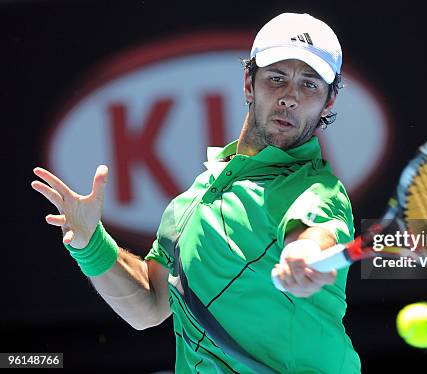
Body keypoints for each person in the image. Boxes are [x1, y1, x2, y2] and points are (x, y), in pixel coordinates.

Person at [32, 12, 361, 373]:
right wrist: (91, 243)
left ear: (329, 102)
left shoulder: (314, 188)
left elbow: (317, 230)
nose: (290, 98)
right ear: (249, 84)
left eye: (310, 85)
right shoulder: (189, 203)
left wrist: (305, 253)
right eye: (276, 78)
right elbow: (150, 306)